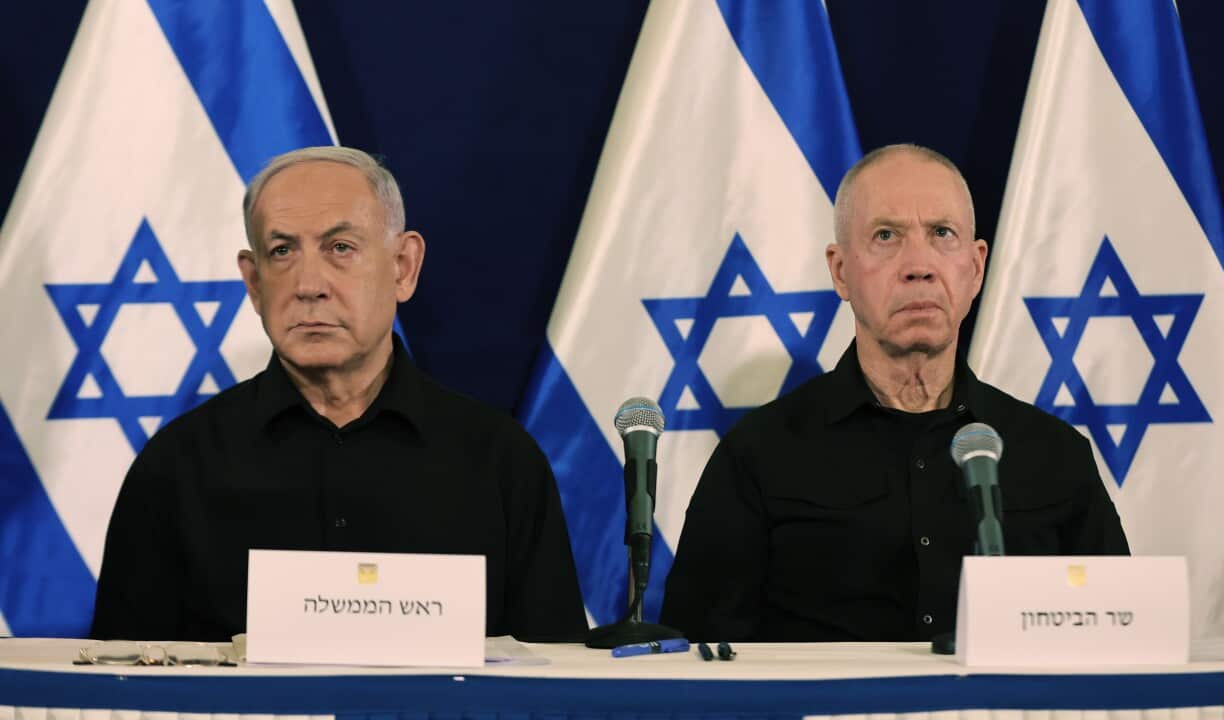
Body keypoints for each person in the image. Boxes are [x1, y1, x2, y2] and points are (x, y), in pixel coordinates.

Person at [90, 146, 586, 642]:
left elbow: (557, 684)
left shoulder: (500, 463)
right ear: (254, 282)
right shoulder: (176, 467)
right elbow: (119, 692)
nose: (309, 285)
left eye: (340, 248)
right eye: (282, 251)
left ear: (403, 267)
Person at [660, 144, 1128, 642]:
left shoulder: (1055, 455)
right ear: (840, 271)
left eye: (942, 234)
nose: (919, 265)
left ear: (976, 267)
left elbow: (1119, 639)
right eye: (886, 236)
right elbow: (698, 660)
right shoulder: (758, 455)